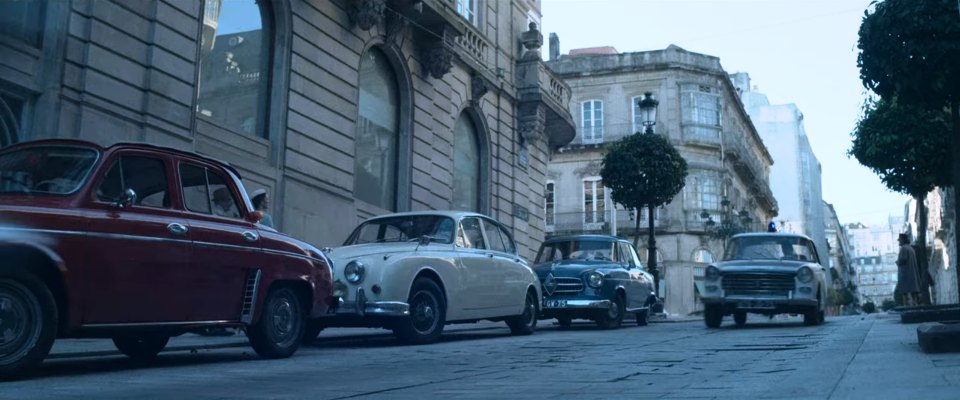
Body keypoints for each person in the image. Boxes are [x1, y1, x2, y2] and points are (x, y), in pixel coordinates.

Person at [895, 233, 922, 306]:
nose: (899, 242)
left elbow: (903, 260)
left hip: (906, 275)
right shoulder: (911, 248)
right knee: (914, 294)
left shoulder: (904, 248)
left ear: (903, 240)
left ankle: (907, 308)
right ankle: (915, 306)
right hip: (912, 275)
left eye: (900, 240)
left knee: (906, 294)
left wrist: (897, 262)